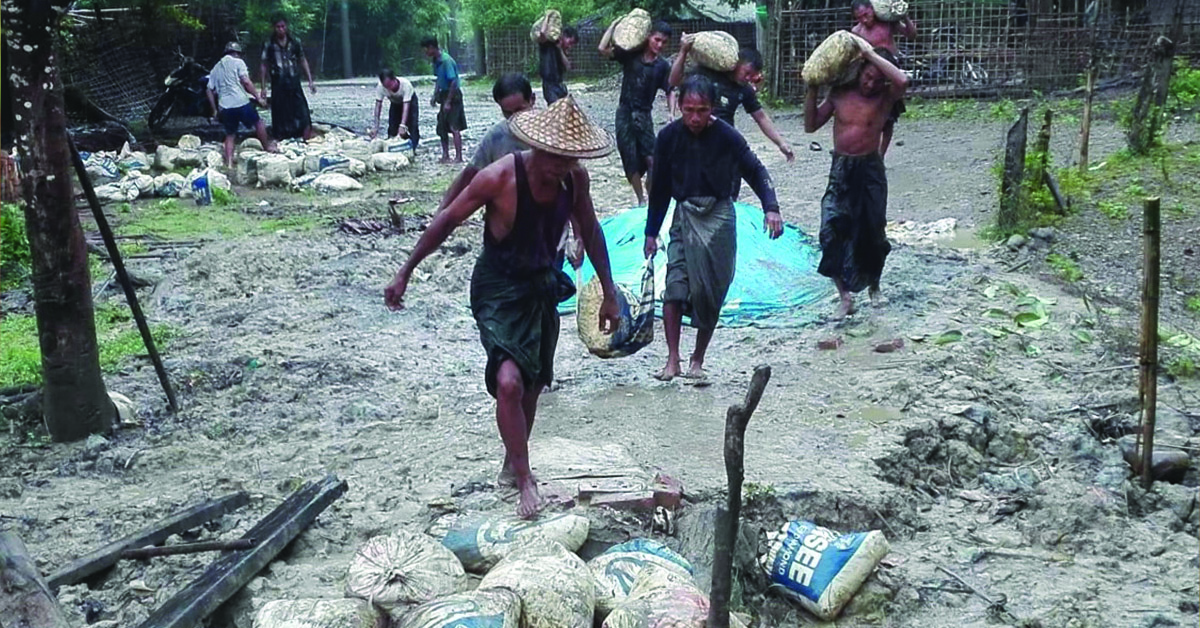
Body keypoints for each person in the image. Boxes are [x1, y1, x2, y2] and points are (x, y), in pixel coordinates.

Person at [385, 96, 621, 518]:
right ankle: (526, 476)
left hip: (541, 286)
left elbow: (590, 227)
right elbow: (447, 220)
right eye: (554, 159)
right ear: (537, 148)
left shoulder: (574, 180)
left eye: (570, 160)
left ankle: (513, 464)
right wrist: (406, 270)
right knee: (509, 380)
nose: (560, 169)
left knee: (531, 384)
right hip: (498, 288)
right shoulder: (499, 177)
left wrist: (609, 290)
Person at [644, 75, 783, 382]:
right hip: (684, 215)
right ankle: (672, 359)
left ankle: (697, 359)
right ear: (679, 106)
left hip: (719, 217)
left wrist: (771, 207)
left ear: (713, 110)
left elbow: (755, 170)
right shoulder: (668, 137)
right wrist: (651, 232)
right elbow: (660, 188)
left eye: (702, 110)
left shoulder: (727, 136)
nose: (695, 117)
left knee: (711, 291)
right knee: (675, 287)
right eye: (689, 110)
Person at [804, 40, 908, 319]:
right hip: (841, 168)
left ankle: (874, 285)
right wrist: (813, 88)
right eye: (867, 76)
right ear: (859, 71)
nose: (870, 84)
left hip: (870, 168)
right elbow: (810, 125)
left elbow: (903, 79)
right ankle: (845, 296)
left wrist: (870, 53)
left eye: (877, 80)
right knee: (830, 230)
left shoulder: (886, 97)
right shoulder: (839, 93)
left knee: (873, 233)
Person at [668, 39, 794, 162]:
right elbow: (673, 81)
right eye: (747, 72)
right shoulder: (707, 73)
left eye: (752, 76)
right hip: (695, 139)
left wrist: (781, 143)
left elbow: (760, 117)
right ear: (737, 63)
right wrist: (683, 52)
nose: (748, 78)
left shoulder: (744, 89)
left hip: (724, 142)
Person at [599, 19, 675, 206]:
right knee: (630, 157)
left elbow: (670, 90)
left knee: (652, 160)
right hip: (624, 112)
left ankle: (652, 198)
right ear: (648, 37)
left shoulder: (662, 66)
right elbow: (602, 49)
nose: (660, 45)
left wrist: (672, 113)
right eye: (657, 40)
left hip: (644, 115)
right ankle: (641, 199)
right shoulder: (630, 55)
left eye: (664, 42)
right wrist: (614, 25)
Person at [438, 73, 535, 213]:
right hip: (505, 216)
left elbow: (573, 180)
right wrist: (443, 211)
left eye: (520, 110)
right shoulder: (496, 137)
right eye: (508, 113)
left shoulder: (552, 134)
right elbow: (469, 174)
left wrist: (578, 231)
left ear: (532, 100)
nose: (515, 118)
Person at [850, 0, 916, 157]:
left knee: (889, 118)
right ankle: (865, 151)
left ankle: (880, 156)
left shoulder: (887, 23)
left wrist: (905, 17)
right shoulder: (857, 31)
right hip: (870, 79)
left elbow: (911, 35)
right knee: (866, 116)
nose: (864, 20)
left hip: (890, 75)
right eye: (860, 18)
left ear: (872, 10)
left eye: (866, 15)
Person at [206, 42, 276, 168]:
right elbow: (246, 82)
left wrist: (214, 110)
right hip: (241, 102)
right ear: (237, 53)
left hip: (225, 106)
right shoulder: (238, 63)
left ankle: (229, 164)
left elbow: (209, 90)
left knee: (230, 134)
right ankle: (267, 147)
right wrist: (258, 98)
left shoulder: (215, 68)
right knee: (258, 122)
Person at [259, 16, 315, 140]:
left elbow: (302, 59)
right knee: (279, 108)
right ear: (274, 28)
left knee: (301, 106)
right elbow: (264, 64)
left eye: (283, 26)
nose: (281, 29)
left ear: (287, 26)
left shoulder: (294, 41)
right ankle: (281, 135)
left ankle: (305, 132)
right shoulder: (269, 43)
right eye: (278, 27)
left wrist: (310, 80)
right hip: (277, 79)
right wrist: (263, 87)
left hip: (293, 78)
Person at [422, 36, 466, 164]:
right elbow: (438, 79)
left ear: (431, 47)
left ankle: (459, 157)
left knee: (454, 126)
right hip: (443, 93)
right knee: (442, 126)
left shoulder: (446, 61)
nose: (425, 53)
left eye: (426, 49)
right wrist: (435, 95)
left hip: (453, 95)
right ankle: (445, 155)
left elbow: (453, 82)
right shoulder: (436, 61)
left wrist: (448, 101)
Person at [369, 69, 419, 153]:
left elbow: (406, 106)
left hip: (409, 103)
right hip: (395, 103)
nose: (388, 88)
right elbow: (378, 106)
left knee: (412, 125)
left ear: (394, 79)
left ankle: (412, 149)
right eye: (386, 86)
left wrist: (403, 125)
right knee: (392, 126)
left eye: (389, 85)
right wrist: (376, 126)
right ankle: (392, 147)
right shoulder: (381, 87)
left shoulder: (405, 85)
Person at [537, 23, 578, 105]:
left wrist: (560, 50)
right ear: (564, 36)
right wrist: (548, 17)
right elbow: (542, 33)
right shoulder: (547, 44)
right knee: (556, 109)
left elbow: (568, 66)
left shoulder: (562, 50)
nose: (570, 46)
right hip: (549, 85)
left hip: (560, 84)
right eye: (570, 42)